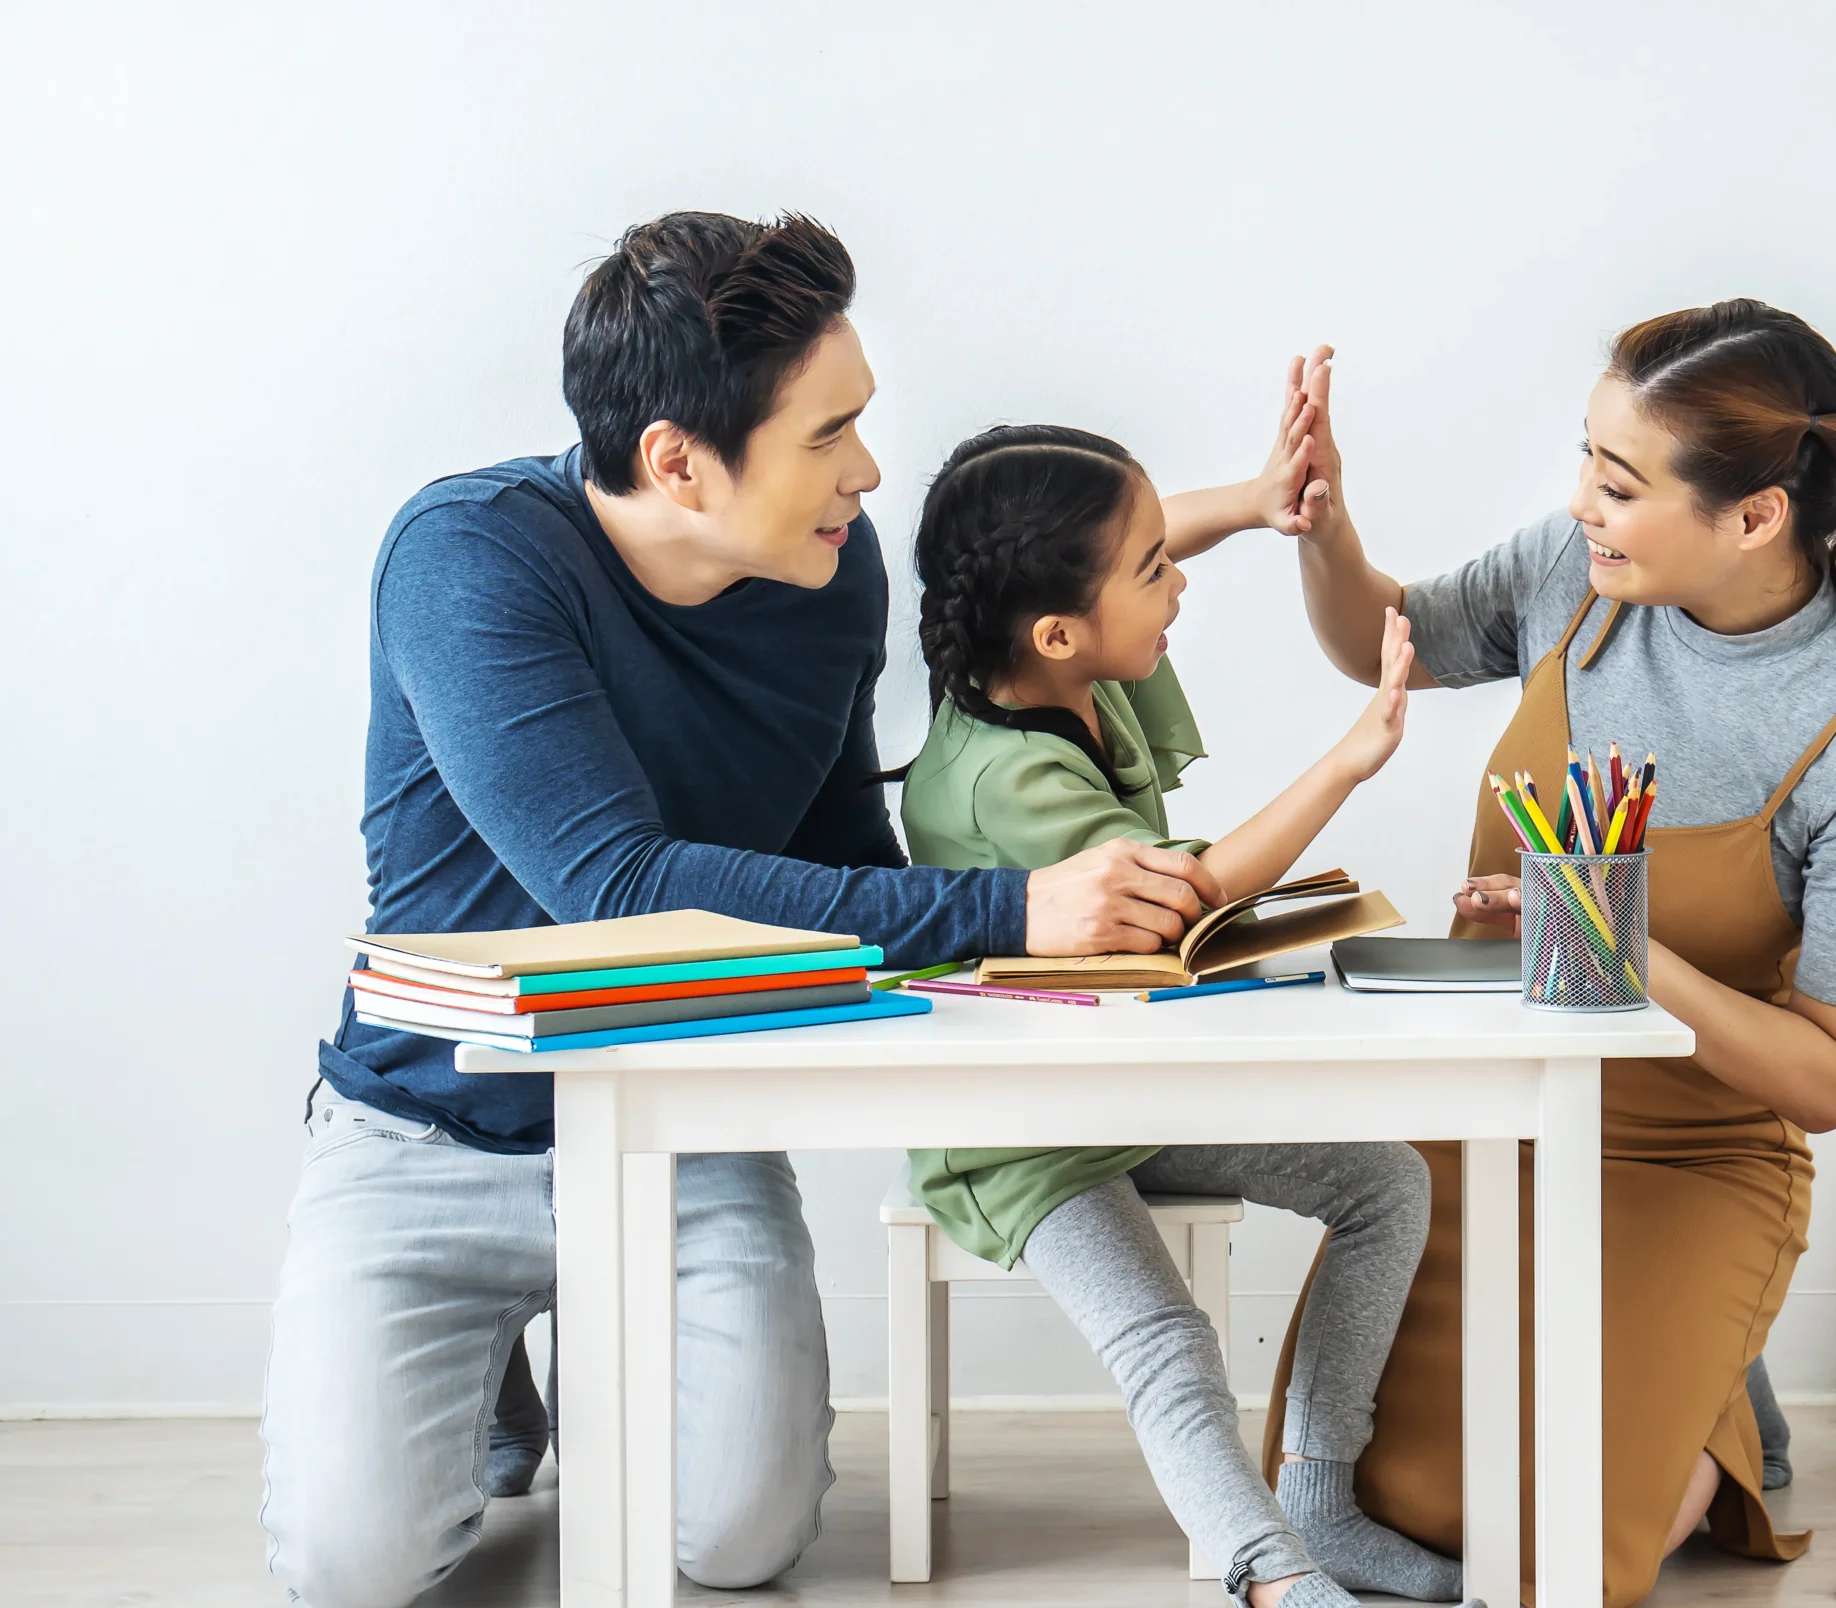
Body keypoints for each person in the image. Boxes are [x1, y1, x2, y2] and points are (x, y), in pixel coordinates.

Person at [258, 211, 1304, 1605]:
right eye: (829, 434)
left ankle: (582, 1344)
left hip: (679, 1114)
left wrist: (1055, 947)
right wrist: (1010, 904)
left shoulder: (830, 570)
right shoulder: (469, 562)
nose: (869, 472)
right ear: (676, 462)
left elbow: (841, 858)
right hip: (434, 1127)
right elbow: (614, 889)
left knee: (738, 1541)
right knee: (352, 1568)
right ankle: (493, 1378)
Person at [1233, 307, 1836, 1604]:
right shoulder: (1573, 578)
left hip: (1685, 1151)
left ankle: (1701, 1411)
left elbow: (1825, 1079)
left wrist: (1619, 950)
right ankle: (1713, 1395)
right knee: (1365, 1500)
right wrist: (1328, 527)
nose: (1583, 500)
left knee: (1550, 1553)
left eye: (1619, 481)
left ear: (1753, 516)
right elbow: (1382, 639)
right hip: (1475, 1125)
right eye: (1587, 457)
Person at [895, 421, 1476, 1608]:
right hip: (1024, 1136)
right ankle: (1267, 1575)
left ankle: (1322, 1499)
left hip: (1136, 1090)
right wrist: (1351, 759)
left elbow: (1116, 547)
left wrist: (1263, 500)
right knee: (1166, 1338)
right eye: (1156, 566)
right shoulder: (1004, 778)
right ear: (1060, 628)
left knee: (1388, 1182)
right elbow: (1189, 897)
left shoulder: (1070, 657)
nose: (1181, 579)